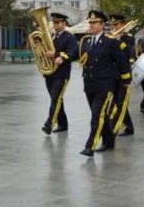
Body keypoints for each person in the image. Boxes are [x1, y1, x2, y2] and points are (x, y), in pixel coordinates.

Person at [77, 10, 131, 157]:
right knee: (102, 116)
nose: (91, 25)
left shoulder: (110, 42)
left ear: (102, 25)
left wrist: (126, 79)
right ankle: (109, 141)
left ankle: (90, 146)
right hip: (89, 84)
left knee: (96, 116)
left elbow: (122, 61)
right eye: (90, 23)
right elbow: (77, 56)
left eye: (94, 23)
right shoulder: (86, 41)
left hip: (104, 85)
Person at [41, 12, 78, 136]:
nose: (55, 25)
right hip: (50, 73)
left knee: (56, 99)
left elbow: (73, 53)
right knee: (56, 99)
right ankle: (63, 124)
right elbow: (46, 52)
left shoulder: (69, 37)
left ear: (64, 23)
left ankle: (49, 124)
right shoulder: (52, 37)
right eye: (54, 23)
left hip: (62, 74)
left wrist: (56, 55)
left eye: (58, 23)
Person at [109, 14, 136, 137]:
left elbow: (128, 53)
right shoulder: (110, 37)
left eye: (118, 24)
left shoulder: (129, 38)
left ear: (123, 24)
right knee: (116, 101)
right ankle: (129, 127)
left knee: (121, 103)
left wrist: (119, 40)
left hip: (124, 75)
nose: (115, 27)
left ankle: (113, 128)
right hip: (113, 74)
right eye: (114, 25)